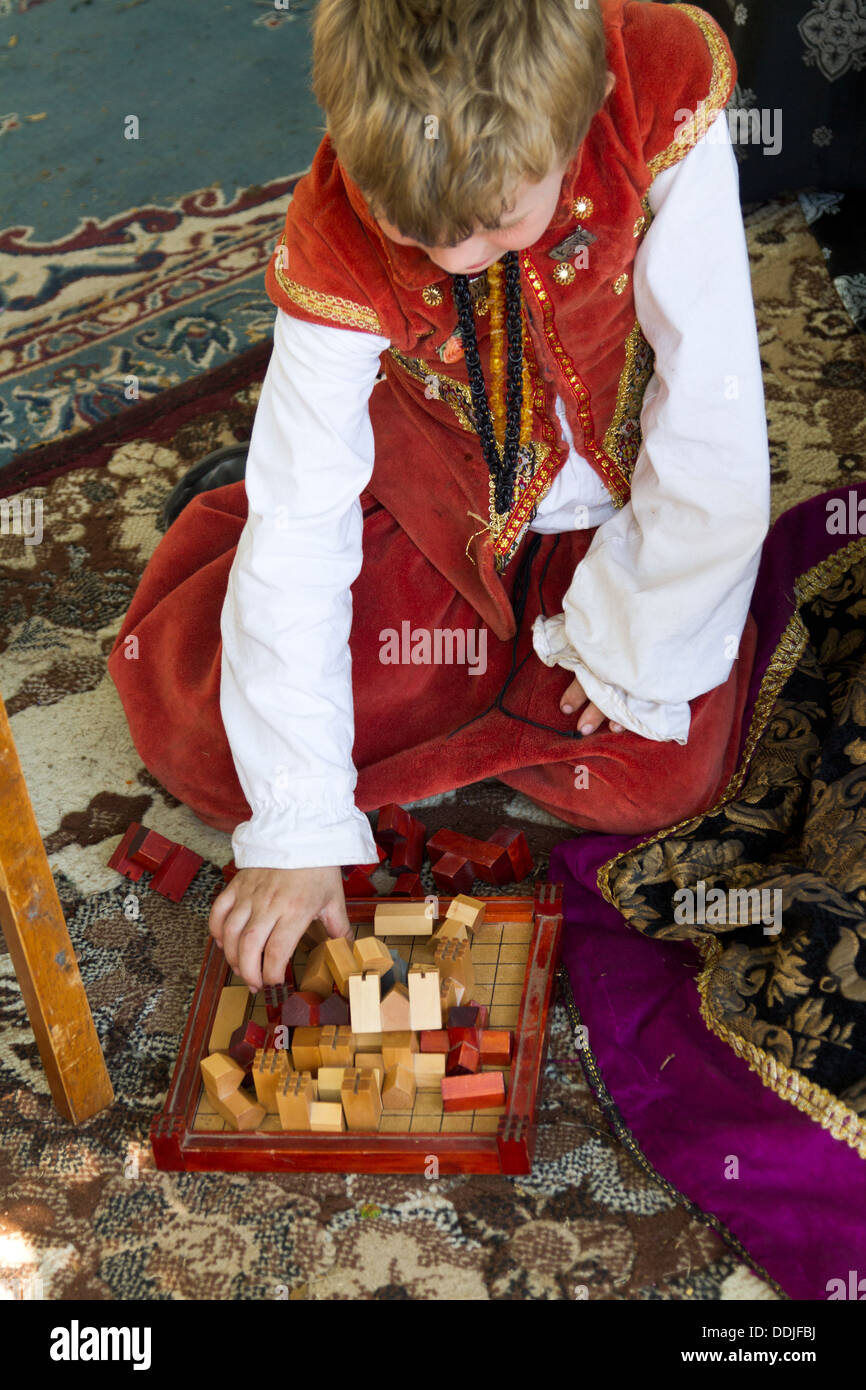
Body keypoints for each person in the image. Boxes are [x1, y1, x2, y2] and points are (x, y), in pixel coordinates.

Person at [108, 0, 769, 990]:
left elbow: (710, 415)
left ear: (581, 108)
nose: (456, 260)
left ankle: (464, 709)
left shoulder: (656, 92)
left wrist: (639, 633)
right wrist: (295, 820)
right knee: (208, 745)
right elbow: (301, 527)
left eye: (497, 220)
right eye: (414, 230)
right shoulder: (332, 228)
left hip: (618, 515)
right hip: (431, 502)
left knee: (661, 776)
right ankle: (480, 701)